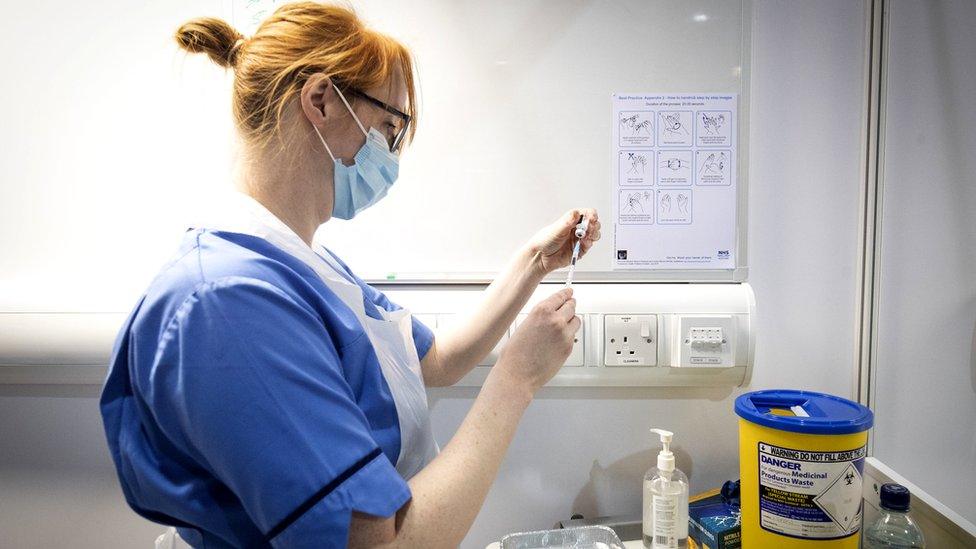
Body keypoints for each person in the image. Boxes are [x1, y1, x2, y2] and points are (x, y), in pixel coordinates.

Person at [100, 3, 601, 548]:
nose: (389, 156)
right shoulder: (228, 303)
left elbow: (436, 361)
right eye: (388, 128)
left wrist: (535, 261)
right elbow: (375, 545)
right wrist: (516, 380)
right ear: (320, 101)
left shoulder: (301, 263)